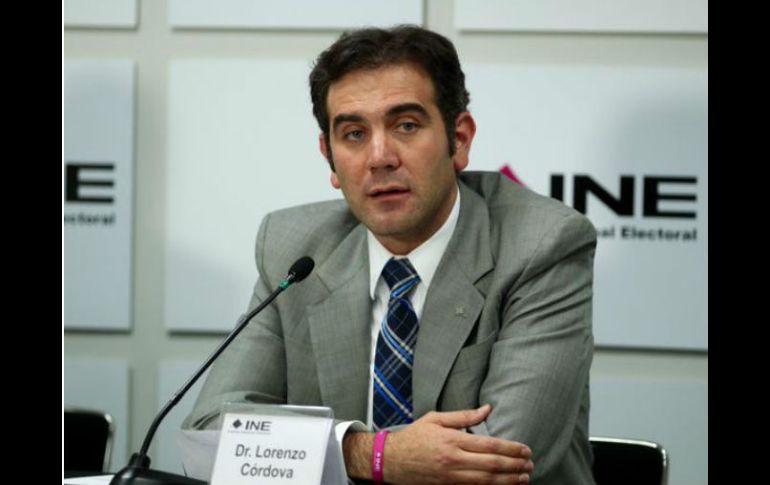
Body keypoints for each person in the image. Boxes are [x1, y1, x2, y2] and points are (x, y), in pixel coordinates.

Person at [183, 25, 597, 485]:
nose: (379, 157)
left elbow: (499, 459)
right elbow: (211, 436)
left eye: (406, 126)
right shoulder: (294, 248)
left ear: (459, 139)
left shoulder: (541, 245)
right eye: (354, 134)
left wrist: (315, 452)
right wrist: (375, 455)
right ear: (329, 157)